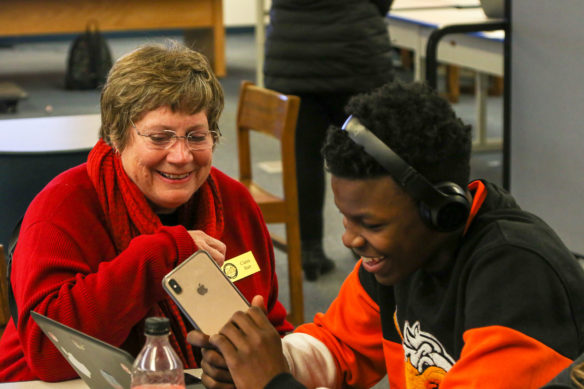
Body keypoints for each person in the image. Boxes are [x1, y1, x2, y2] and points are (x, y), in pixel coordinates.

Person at [188, 80, 584, 388]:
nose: (349, 239)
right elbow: (338, 346)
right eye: (345, 219)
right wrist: (263, 361)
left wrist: (275, 383)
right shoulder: (402, 256)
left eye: (371, 224)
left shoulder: (517, 278)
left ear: (442, 211)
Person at [0, 41, 293, 382]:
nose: (182, 156)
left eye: (197, 136)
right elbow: (51, 356)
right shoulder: (62, 209)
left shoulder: (235, 203)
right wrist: (162, 255)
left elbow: (270, 328)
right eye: (159, 137)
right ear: (116, 136)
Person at [263, 0, 395, 280]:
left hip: (294, 54)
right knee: (364, 156)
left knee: (304, 160)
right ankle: (366, 240)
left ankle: (309, 250)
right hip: (355, 53)